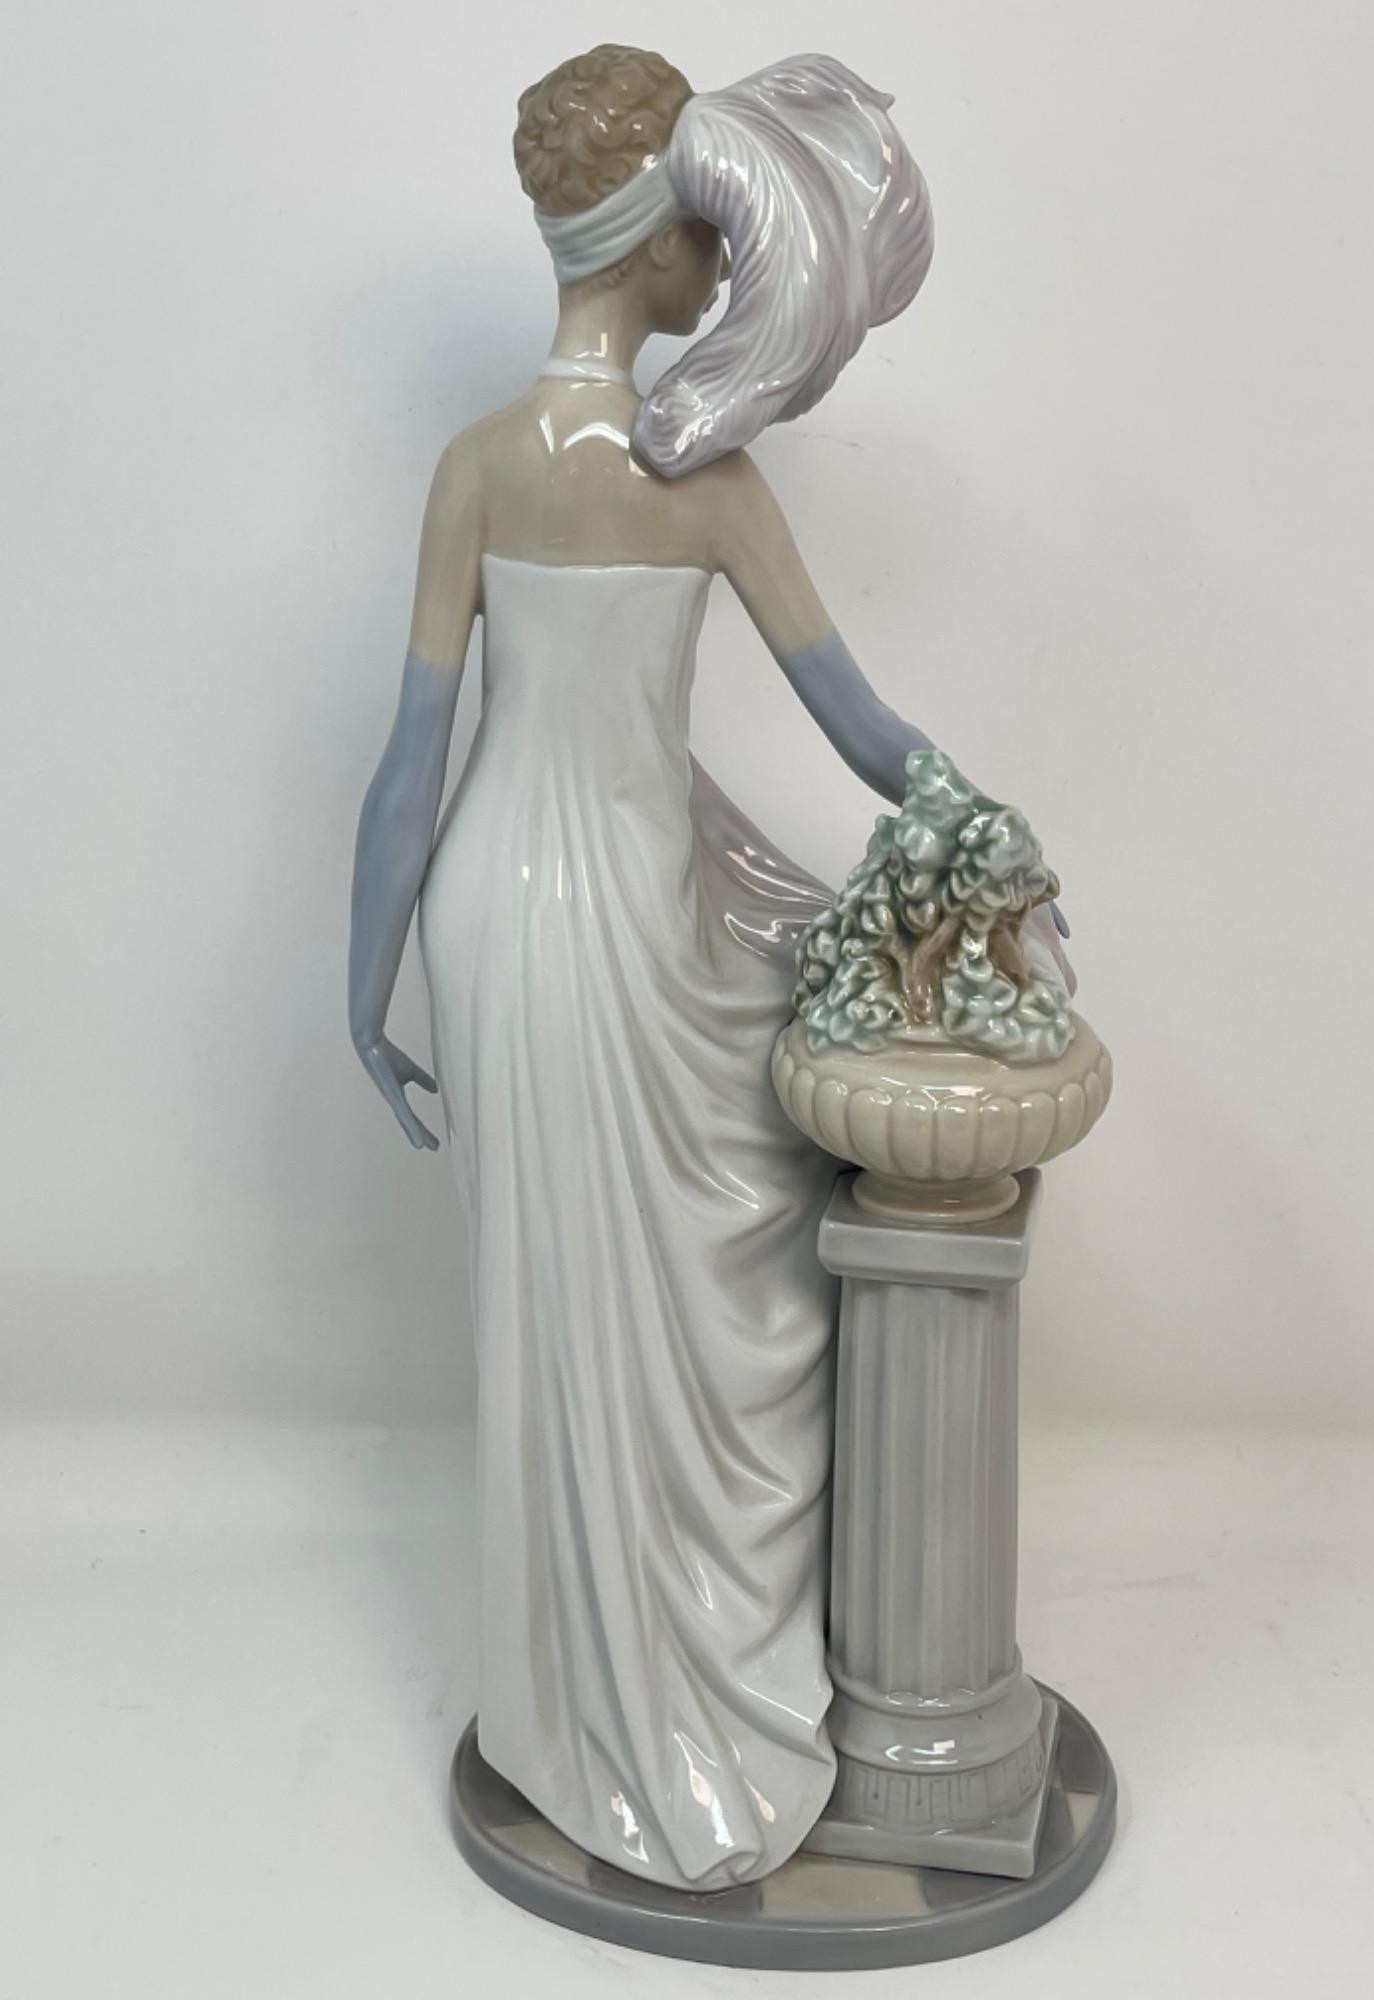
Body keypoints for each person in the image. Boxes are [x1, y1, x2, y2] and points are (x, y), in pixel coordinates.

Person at [348, 46, 952, 1891]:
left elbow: (410, 768)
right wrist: (975, 821)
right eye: (704, 228)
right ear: (658, 242)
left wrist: (364, 982)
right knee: (696, 1275)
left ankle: (563, 1718)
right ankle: (660, 1689)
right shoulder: (708, 475)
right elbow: (861, 728)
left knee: (545, 1316)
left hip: (493, 922)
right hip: (625, 915)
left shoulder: (476, 467)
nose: (718, 263)